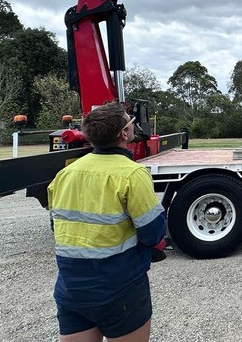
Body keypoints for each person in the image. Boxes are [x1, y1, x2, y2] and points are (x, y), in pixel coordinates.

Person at [48, 102, 166, 342]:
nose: (133, 124)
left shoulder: (65, 175)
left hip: (71, 291)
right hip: (120, 290)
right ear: (124, 133)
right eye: (130, 122)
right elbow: (152, 233)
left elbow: (57, 226)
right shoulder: (132, 174)